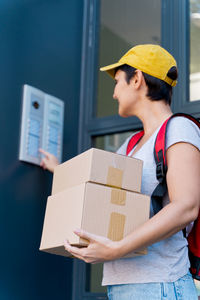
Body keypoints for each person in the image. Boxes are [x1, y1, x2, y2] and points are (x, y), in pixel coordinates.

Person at [40, 44, 200, 300]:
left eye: (117, 82)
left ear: (136, 79)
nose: (114, 93)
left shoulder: (179, 129)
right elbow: (100, 187)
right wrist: (58, 169)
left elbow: (186, 206)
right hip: (123, 285)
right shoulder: (130, 145)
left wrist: (117, 249)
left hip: (161, 284)